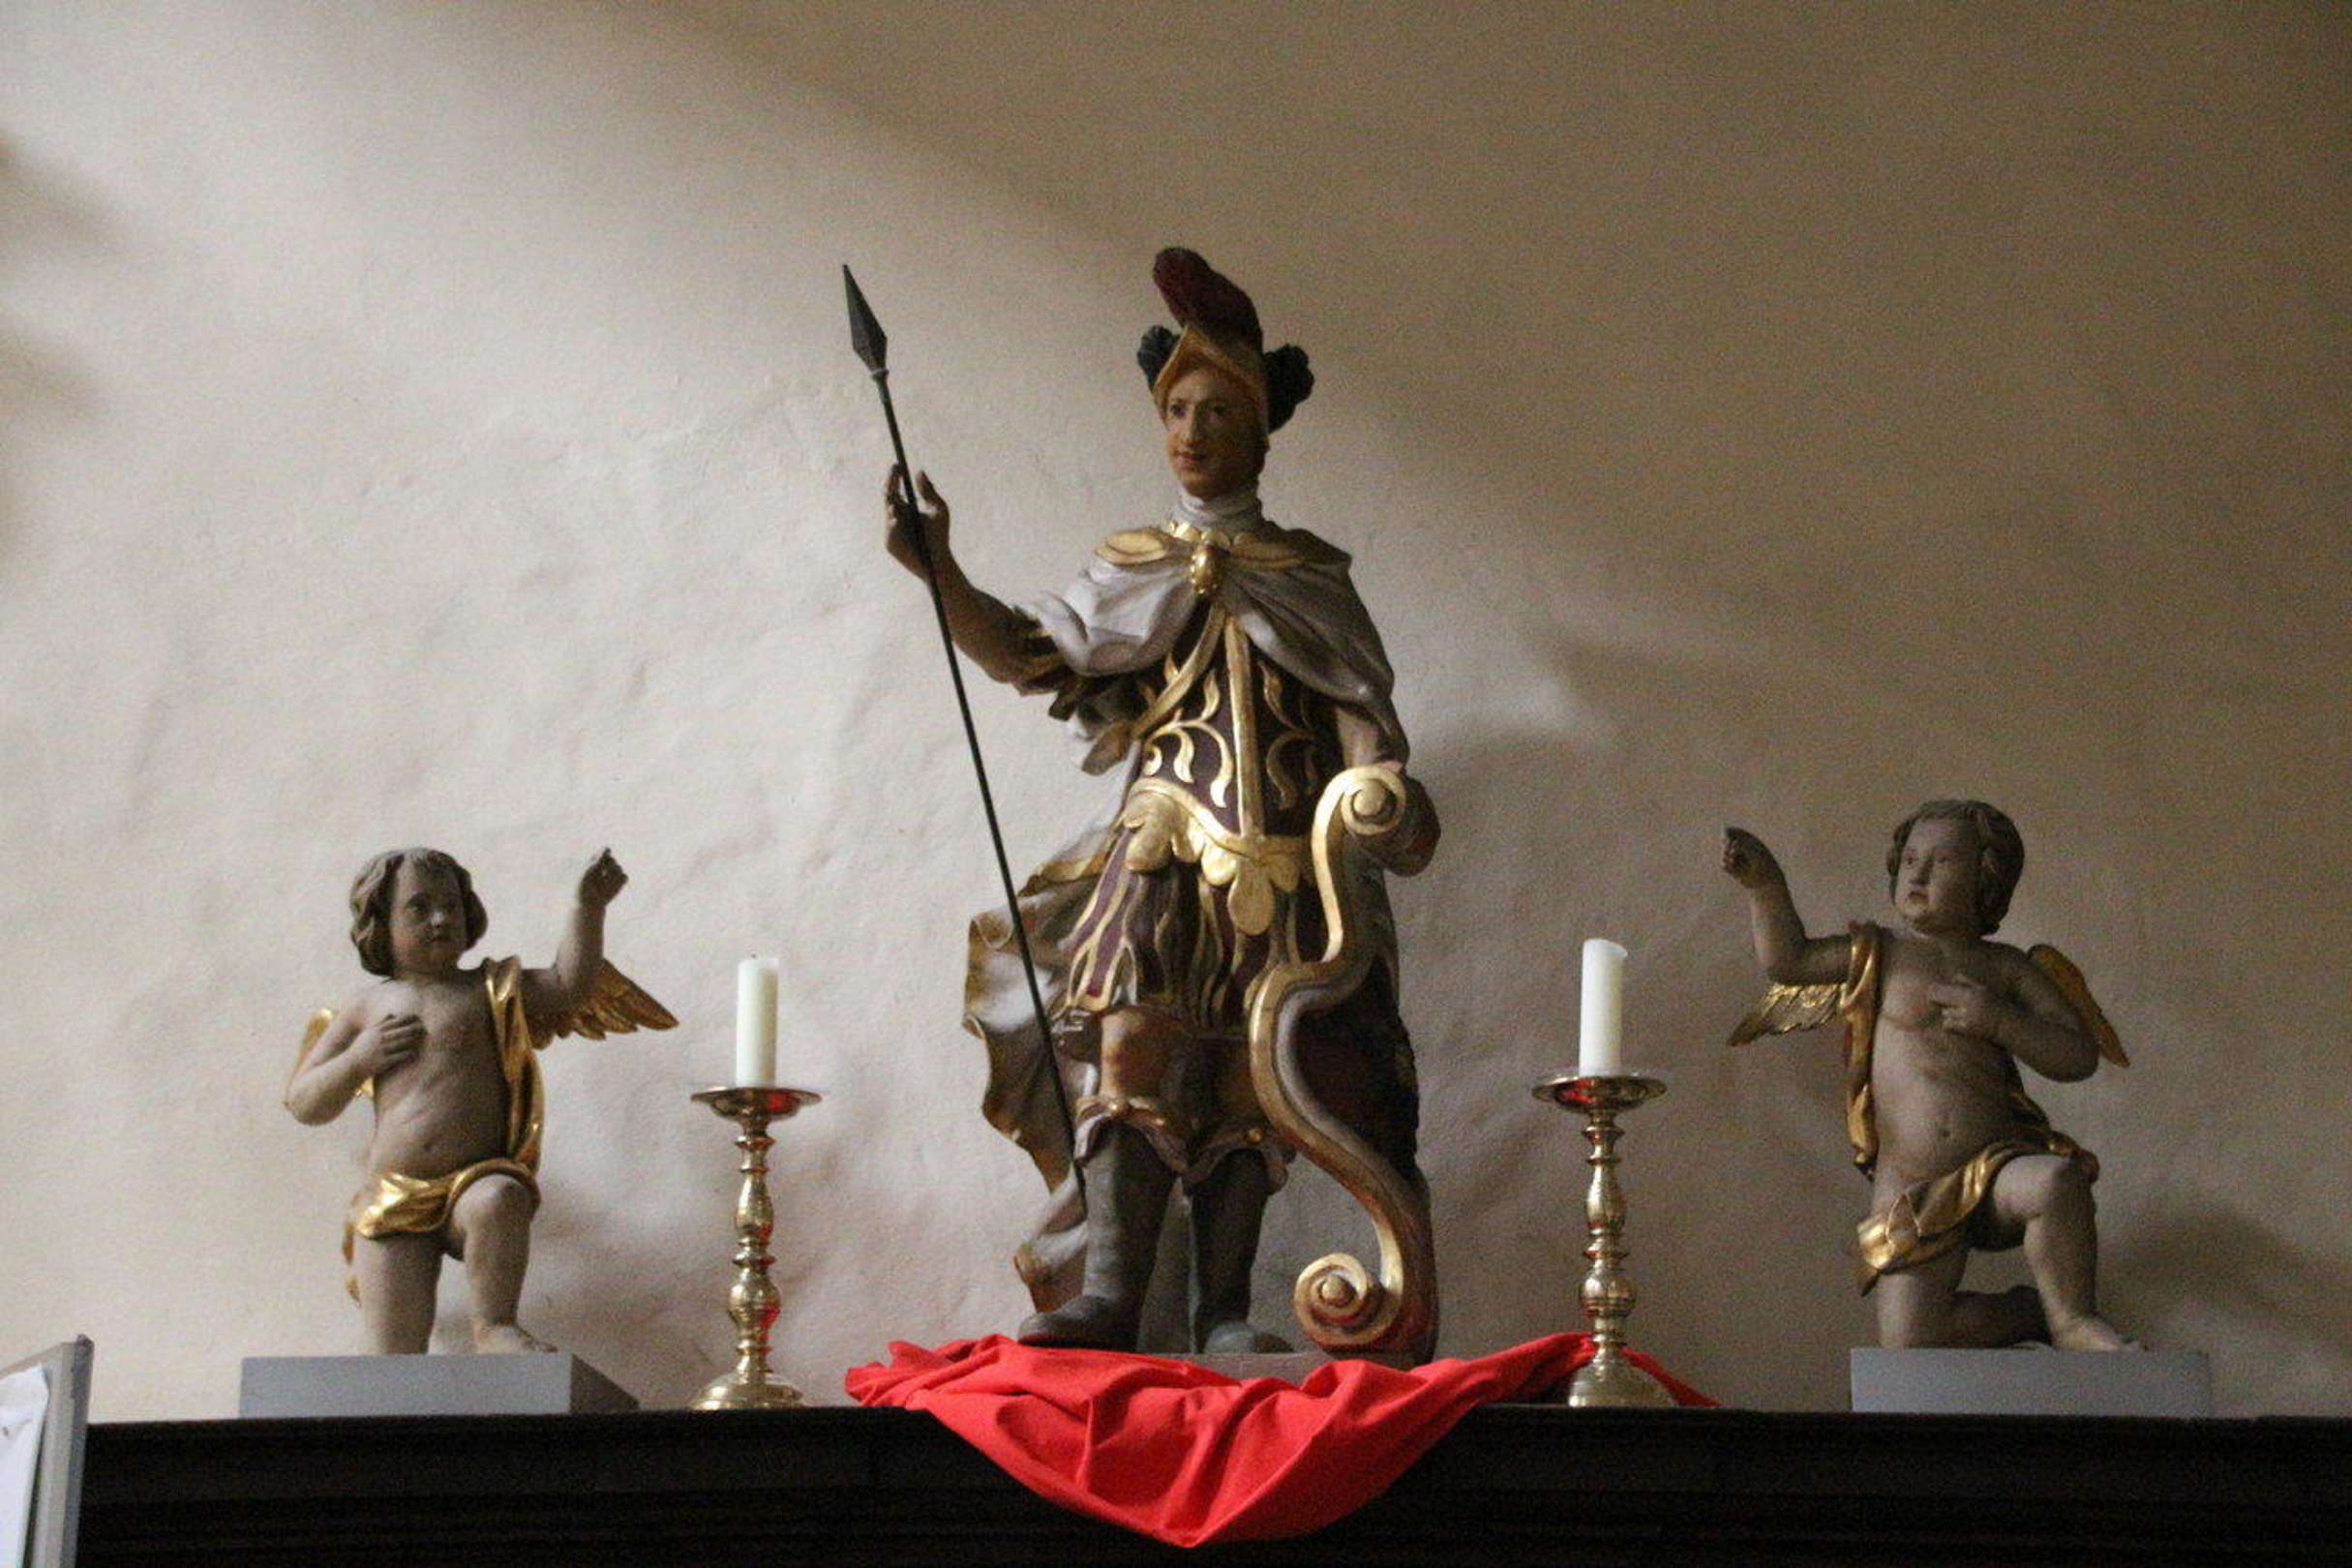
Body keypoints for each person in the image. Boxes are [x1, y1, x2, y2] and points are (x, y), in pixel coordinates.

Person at [885, 249, 1436, 1352]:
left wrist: (1380, 790)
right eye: (1177, 410)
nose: (1192, 431)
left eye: (1217, 412)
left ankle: (1223, 1314)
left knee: (1251, 1077)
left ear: (1260, 433)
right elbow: (1031, 653)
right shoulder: (1134, 565)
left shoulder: (1309, 576)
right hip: (1161, 845)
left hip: (1285, 860)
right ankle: (1110, 1298)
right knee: (1128, 1046)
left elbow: (1360, 714)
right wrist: (940, 571)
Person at [1721, 801, 2136, 1350]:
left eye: (1942, 862)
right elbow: (1789, 961)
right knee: (1911, 1345)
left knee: (2056, 1183)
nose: (1917, 874)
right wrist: (1764, 885)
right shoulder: (1881, 955)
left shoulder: (2006, 968)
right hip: (1912, 1183)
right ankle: (2028, 1312)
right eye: (1911, 859)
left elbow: (2077, 1055)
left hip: (1995, 1167)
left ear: (1985, 880)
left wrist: (2000, 1021)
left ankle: (2072, 1318)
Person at [286, 846, 673, 1353]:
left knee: (500, 1199)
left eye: (451, 905)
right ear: (380, 922)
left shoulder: (489, 990)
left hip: (474, 1182)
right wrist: (359, 1059)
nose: (440, 918)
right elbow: (304, 1101)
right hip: (394, 1194)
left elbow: (567, 986)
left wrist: (587, 908)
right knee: (390, 1358)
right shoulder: (366, 1006)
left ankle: (493, 1326)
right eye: (419, 907)